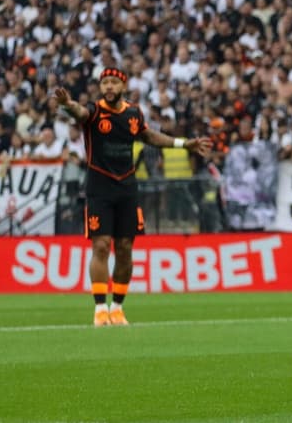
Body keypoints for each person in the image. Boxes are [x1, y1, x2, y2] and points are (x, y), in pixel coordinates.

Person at [55, 67, 211, 327]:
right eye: (105, 82)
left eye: (114, 82)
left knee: (125, 249)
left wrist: (185, 144)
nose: (109, 87)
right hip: (99, 189)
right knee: (101, 245)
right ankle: (99, 308)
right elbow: (78, 111)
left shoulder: (133, 113)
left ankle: (117, 307)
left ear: (123, 86)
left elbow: (149, 136)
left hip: (127, 189)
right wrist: (67, 104)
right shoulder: (94, 112)